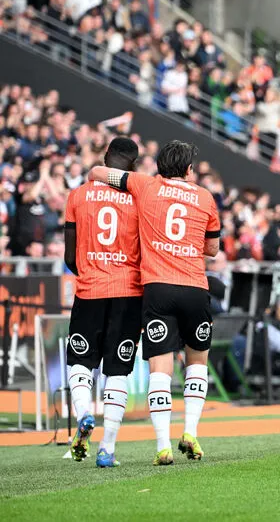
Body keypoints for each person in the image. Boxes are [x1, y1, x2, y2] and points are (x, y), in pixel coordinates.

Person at [90, 140, 221, 466]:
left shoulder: (144, 184)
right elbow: (213, 249)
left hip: (157, 289)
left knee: (159, 369)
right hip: (193, 287)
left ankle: (162, 445)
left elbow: (96, 173)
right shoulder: (205, 197)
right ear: (189, 170)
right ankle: (190, 432)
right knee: (197, 363)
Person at [63, 138, 142, 468]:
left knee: (79, 363)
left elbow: (70, 255)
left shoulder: (78, 195)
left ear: (104, 158)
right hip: (129, 292)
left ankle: (83, 414)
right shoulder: (139, 200)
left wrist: (90, 271)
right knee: (117, 370)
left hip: (90, 289)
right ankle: (107, 448)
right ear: (132, 165)